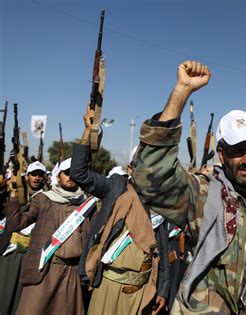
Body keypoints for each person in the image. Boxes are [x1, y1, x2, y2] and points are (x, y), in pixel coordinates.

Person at [133, 60, 246, 314]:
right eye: (238, 151)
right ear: (222, 155)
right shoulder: (206, 196)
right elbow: (152, 176)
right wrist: (182, 91)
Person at [71, 107, 168, 314]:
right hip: (108, 285)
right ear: (131, 169)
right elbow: (79, 173)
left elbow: (162, 247)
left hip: (143, 291)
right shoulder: (116, 187)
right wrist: (88, 132)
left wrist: (163, 289)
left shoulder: (161, 202)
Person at [4, 158, 92, 314]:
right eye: (66, 173)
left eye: (74, 174)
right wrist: (13, 194)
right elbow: (15, 224)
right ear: (58, 177)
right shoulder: (43, 199)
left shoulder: (86, 205)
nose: (70, 177)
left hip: (71, 273)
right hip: (45, 269)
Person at [0, 161, 47, 315]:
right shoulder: (14, 193)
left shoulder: (48, 199)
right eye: (34, 174)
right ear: (26, 177)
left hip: (31, 255)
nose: (37, 178)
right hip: (9, 253)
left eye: (40, 175)